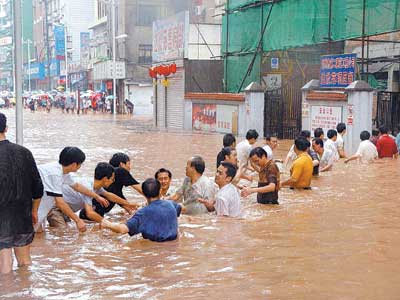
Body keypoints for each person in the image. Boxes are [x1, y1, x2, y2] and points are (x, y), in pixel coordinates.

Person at [0, 113, 44, 274]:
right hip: (22, 215)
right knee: (25, 262)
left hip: (2, 218)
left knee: (4, 264)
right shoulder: (24, 152)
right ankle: (25, 292)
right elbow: (38, 187)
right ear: (6, 128)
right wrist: (34, 211)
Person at [36, 147, 109, 232]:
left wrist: (96, 196)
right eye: (81, 164)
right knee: (36, 235)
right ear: (75, 164)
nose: (80, 166)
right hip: (34, 205)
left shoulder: (62, 171)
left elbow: (77, 186)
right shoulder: (56, 174)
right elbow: (60, 202)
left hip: (41, 205)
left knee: (38, 234)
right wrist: (77, 220)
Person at [51, 163, 137, 227]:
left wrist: (128, 203)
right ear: (105, 179)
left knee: (67, 235)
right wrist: (110, 224)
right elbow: (90, 213)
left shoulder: (95, 185)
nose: (113, 181)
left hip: (66, 211)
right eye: (112, 179)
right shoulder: (88, 188)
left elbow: (109, 195)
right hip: (56, 209)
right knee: (62, 234)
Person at [101, 178, 183, 242]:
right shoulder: (171, 204)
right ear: (160, 191)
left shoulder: (142, 213)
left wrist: (107, 224)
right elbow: (180, 209)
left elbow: (122, 229)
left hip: (154, 247)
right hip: (174, 245)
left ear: (144, 193)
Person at [80, 153, 142, 219]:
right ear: (122, 164)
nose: (130, 167)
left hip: (89, 213)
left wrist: (129, 207)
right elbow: (140, 189)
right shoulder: (121, 171)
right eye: (129, 163)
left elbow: (113, 196)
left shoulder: (106, 179)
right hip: (93, 214)